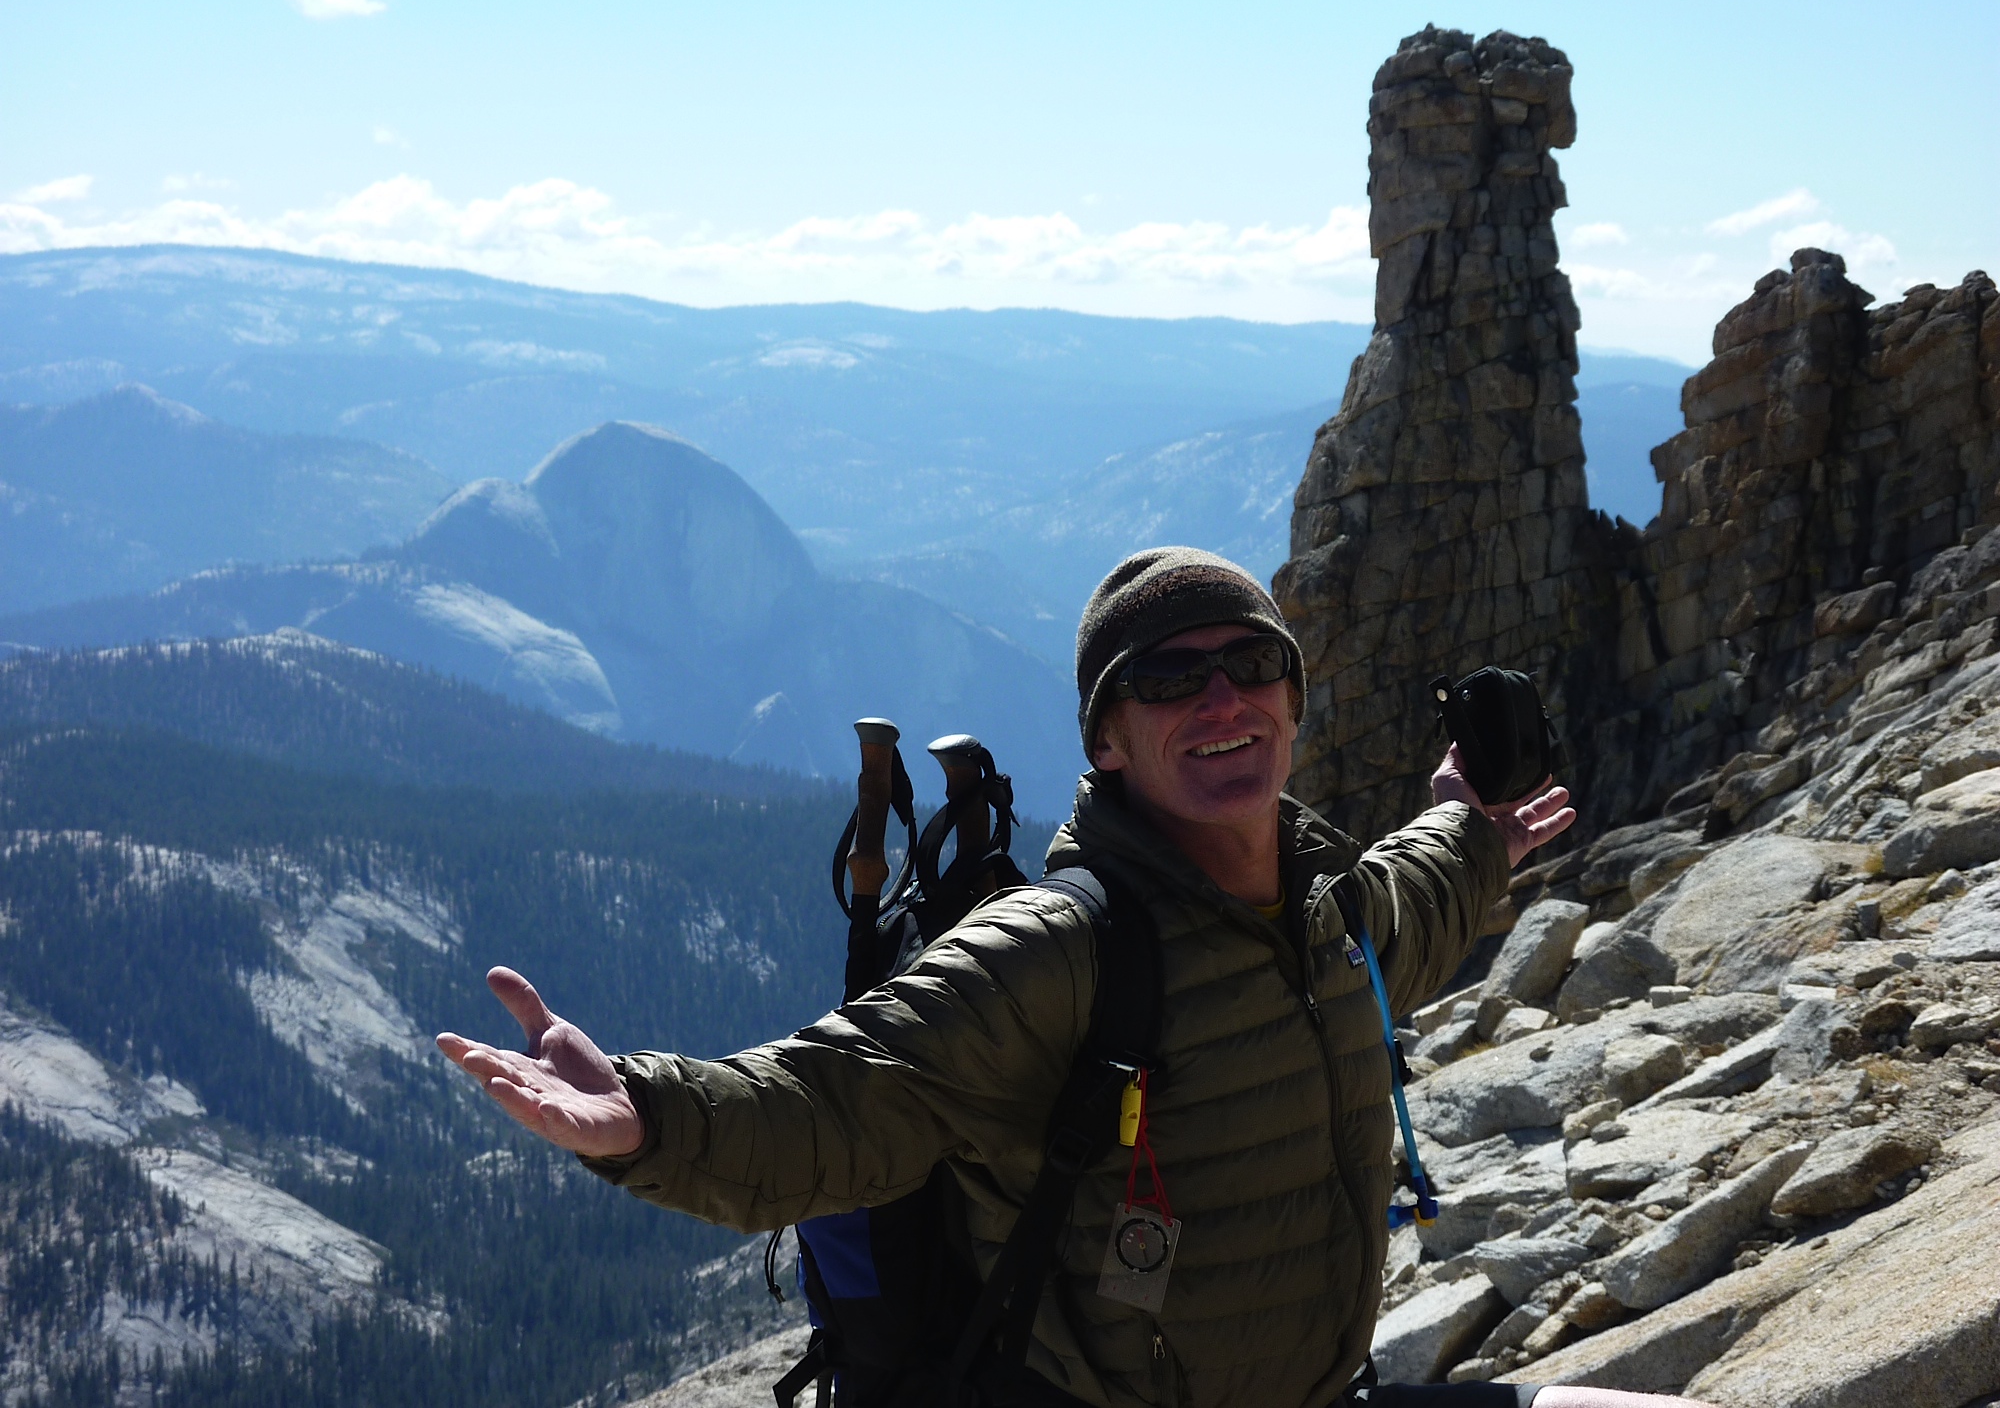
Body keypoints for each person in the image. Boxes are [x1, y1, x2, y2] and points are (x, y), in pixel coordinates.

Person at [438, 547, 1705, 1408]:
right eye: (1167, 680)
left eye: (1250, 665)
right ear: (1105, 740)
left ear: (1293, 698)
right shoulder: (1061, 946)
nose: (1220, 698)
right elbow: (850, 1091)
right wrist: (648, 1117)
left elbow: (1415, 904)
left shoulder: (1328, 912)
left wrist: (1474, 827)